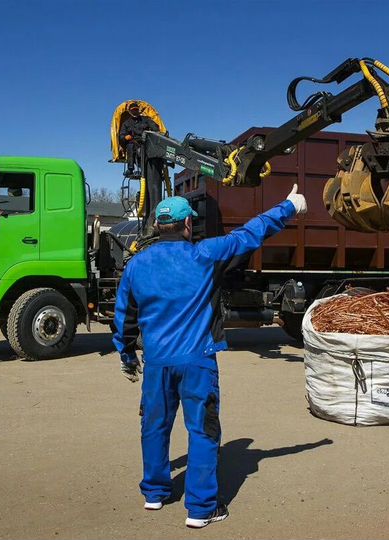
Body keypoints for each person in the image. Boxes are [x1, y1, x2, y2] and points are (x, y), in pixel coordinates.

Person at [112, 185, 307, 528]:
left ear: (158, 226)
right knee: (202, 431)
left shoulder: (137, 265)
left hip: (157, 362)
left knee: (154, 425)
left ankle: (155, 493)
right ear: (188, 225)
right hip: (196, 361)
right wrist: (288, 206)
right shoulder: (205, 254)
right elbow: (250, 233)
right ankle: (202, 509)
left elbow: (124, 315)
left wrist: (127, 355)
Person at [119, 101, 160, 174]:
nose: (135, 112)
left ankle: (152, 169)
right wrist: (125, 137)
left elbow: (156, 128)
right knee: (130, 146)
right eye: (133, 110)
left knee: (147, 149)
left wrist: (153, 132)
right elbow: (121, 136)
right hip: (133, 143)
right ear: (130, 111)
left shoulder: (146, 119)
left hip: (146, 142)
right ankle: (131, 168)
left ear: (138, 110)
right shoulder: (126, 123)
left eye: (136, 110)